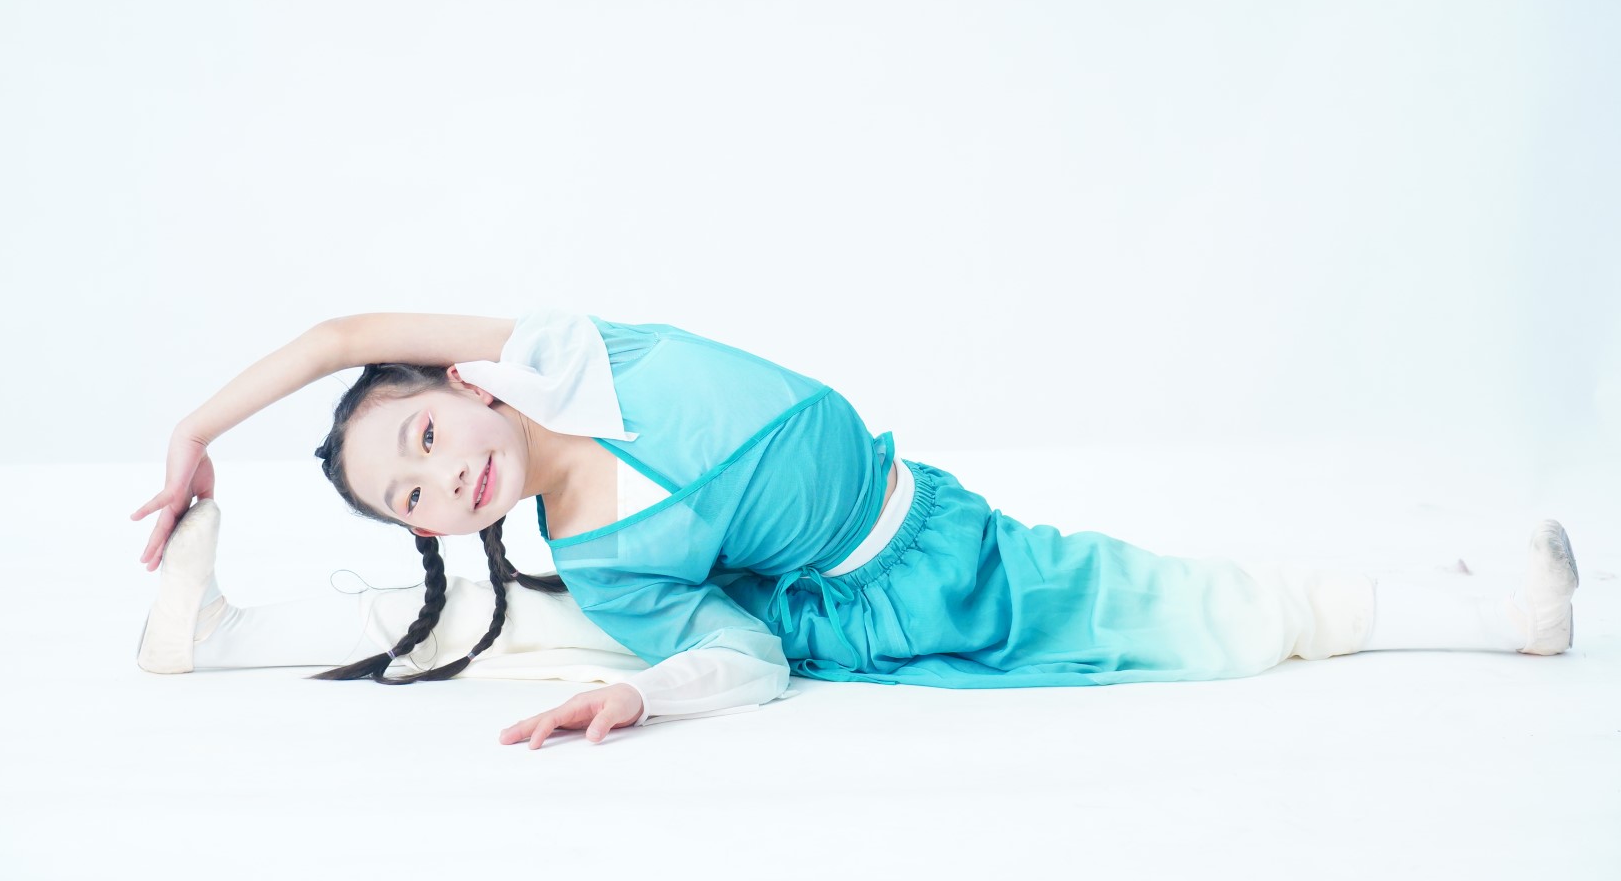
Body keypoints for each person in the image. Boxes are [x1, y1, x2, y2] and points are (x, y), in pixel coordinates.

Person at [132, 309, 1582, 750]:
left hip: (921, 517)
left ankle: (219, 636)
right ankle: (1491, 617)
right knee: (1176, 609)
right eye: (407, 499)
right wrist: (642, 698)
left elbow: (341, 335)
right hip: (902, 595)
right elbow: (748, 658)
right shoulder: (608, 561)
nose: (439, 482)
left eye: (425, 441)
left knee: (531, 627)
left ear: (465, 386)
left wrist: (198, 425)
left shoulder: (565, 355)